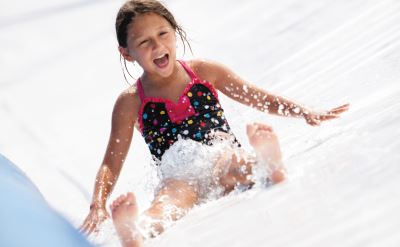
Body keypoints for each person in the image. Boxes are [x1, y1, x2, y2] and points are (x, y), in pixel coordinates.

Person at [80, 0, 349, 246]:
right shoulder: (131, 102)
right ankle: (137, 231)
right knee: (169, 200)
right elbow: (110, 162)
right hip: (179, 176)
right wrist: (98, 203)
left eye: (163, 34)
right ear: (127, 53)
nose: (157, 45)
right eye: (144, 42)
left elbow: (256, 96)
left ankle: (268, 164)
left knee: (235, 163)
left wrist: (302, 111)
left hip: (219, 156)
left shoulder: (204, 72)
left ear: (174, 32)